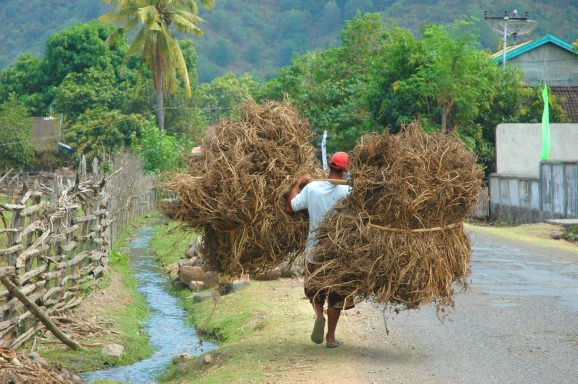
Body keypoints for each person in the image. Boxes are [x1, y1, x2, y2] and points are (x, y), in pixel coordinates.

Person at [286, 151, 352, 348]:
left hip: (314, 249)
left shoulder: (312, 188)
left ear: (329, 166)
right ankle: (330, 338)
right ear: (345, 170)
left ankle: (318, 315)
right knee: (336, 294)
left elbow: (290, 207)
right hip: (339, 252)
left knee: (314, 289)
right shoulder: (348, 193)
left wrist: (298, 184)